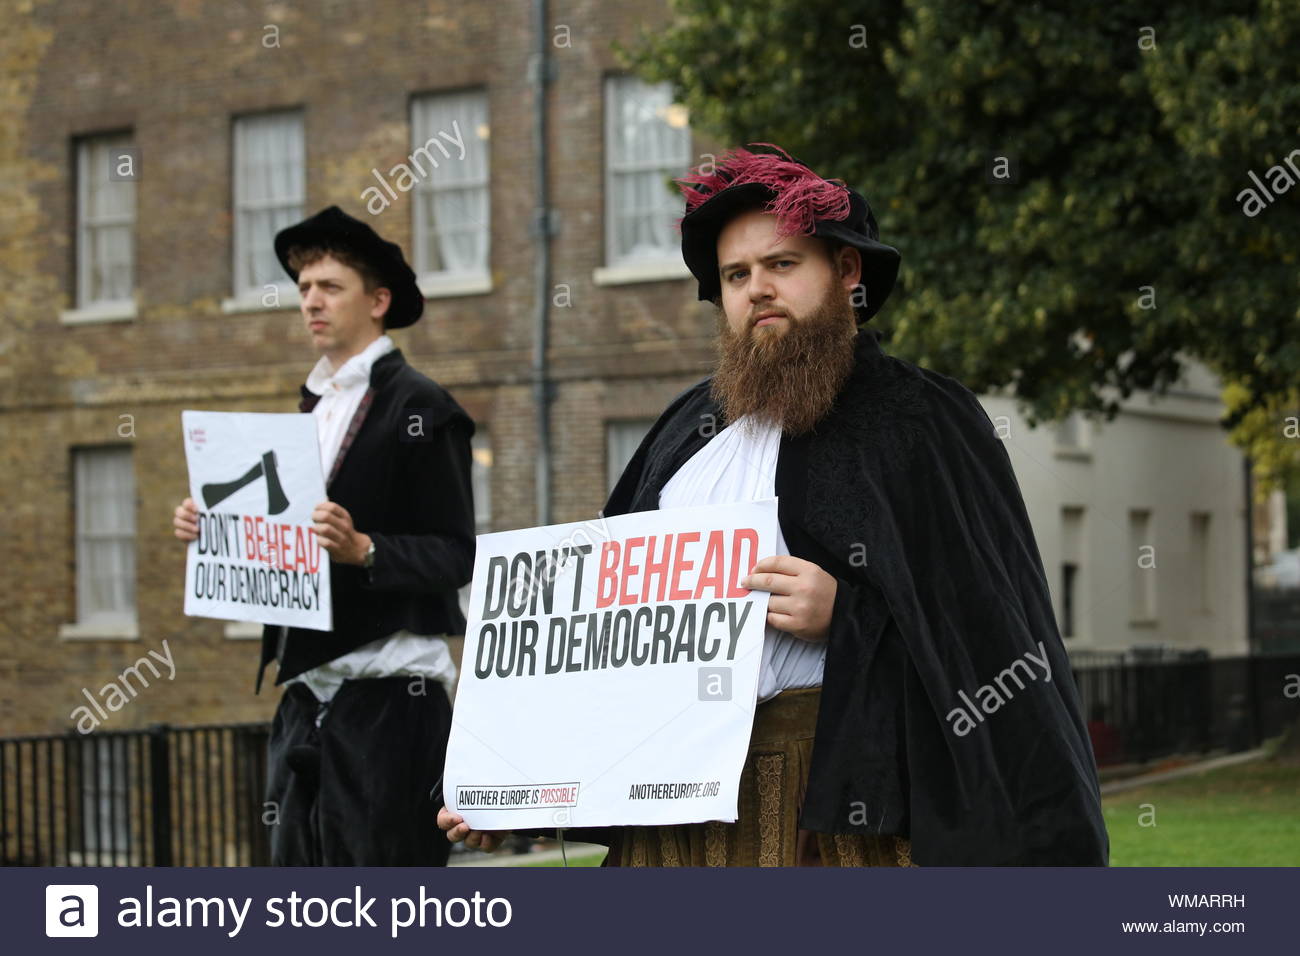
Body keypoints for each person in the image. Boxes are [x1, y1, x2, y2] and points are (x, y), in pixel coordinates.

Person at [439, 145, 1108, 866]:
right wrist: (513, 785)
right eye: (736, 275)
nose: (757, 288)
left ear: (847, 272)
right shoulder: (679, 435)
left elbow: (988, 633)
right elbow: (603, 646)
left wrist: (847, 618)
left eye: (782, 264)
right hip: (672, 829)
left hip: (836, 815)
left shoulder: (920, 420)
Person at [174, 206, 476, 865]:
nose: (310, 301)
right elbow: (281, 543)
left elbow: (458, 553)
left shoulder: (424, 407)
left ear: (378, 300)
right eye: (304, 288)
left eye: (329, 287)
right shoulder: (307, 408)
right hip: (304, 693)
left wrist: (365, 548)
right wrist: (215, 529)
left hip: (393, 698)